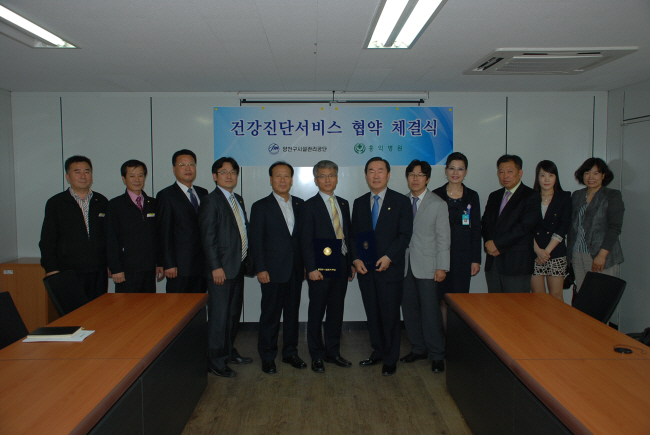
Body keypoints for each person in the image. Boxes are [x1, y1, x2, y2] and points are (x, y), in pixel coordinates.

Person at [351, 157, 412, 376]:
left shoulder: (401, 201)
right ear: (365, 175)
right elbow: (353, 235)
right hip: (366, 271)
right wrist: (355, 259)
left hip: (390, 270)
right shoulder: (359, 202)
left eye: (380, 171)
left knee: (390, 316)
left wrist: (389, 257)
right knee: (373, 314)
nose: (375, 176)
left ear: (388, 174)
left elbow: (404, 235)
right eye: (371, 171)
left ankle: (390, 358)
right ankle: (377, 351)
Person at [249, 161, 306, 375]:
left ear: (292, 179)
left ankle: (290, 352)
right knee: (270, 315)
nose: (282, 180)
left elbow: (303, 239)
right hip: (271, 271)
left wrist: (305, 266)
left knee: (292, 314)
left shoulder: (300, 204)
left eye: (286, 176)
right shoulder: (260, 206)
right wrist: (260, 268)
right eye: (278, 176)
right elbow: (256, 241)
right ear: (271, 179)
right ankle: (267, 356)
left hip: (295, 270)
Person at [198, 157, 252, 378]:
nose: (229, 176)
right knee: (219, 318)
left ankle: (228, 352)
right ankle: (215, 361)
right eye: (223, 172)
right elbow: (207, 237)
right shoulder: (210, 201)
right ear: (215, 176)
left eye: (233, 172)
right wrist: (215, 267)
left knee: (232, 315)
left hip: (237, 266)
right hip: (220, 270)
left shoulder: (237, 199)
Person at [300, 160, 355, 374]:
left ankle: (333, 352)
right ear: (316, 180)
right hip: (320, 269)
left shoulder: (343, 203)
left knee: (336, 311)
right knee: (316, 312)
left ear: (337, 178)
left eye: (331, 175)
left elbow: (347, 235)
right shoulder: (309, 206)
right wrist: (311, 268)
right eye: (322, 176)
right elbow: (305, 240)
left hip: (341, 264)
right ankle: (316, 355)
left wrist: (350, 261)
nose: (327, 179)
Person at [400, 159, 450, 373]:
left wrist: (442, 266)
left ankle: (437, 354)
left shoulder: (438, 203)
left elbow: (444, 238)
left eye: (420, 175)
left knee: (430, 311)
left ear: (427, 179)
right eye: (412, 174)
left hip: (429, 266)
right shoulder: (401, 202)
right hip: (405, 266)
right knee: (409, 309)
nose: (415, 179)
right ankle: (418, 348)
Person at [39, 155, 108, 300]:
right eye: (77, 172)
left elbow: (109, 237)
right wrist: (51, 269)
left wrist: (111, 264)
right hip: (68, 271)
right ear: (67, 177)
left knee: (99, 310)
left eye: (87, 172)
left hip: (98, 270)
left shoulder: (101, 201)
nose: (83, 176)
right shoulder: (56, 203)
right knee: (74, 311)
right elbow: (47, 240)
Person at [432, 152, 481, 327]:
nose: (455, 172)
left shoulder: (472, 196)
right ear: (446, 170)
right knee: (442, 298)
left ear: (465, 172)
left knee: (460, 300)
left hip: (463, 257)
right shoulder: (436, 194)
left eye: (460, 169)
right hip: (440, 257)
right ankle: (444, 336)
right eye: (452, 168)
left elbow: (476, 229)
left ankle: (457, 338)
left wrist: (475, 259)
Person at [481, 154, 538, 293]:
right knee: (494, 304)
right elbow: (486, 222)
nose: (505, 176)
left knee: (516, 305)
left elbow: (524, 227)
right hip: (493, 262)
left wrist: (497, 244)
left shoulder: (531, 196)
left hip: (516, 263)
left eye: (510, 171)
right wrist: (488, 242)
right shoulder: (494, 196)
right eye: (501, 172)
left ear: (520, 173)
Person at [156, 149, 209, 293]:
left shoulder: (203, 193)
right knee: (178, 305)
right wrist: (168, 264)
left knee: (199, 303)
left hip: (202, 265)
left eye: (191, 164)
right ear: (174, 169)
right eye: (182, 165)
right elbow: (164, 232)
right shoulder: (166, 195)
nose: (188, 168)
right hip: (179, 267)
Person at [567, 157, 624, 290]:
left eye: (596, 173)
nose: (591, 177)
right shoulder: (577, 195)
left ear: (603, 175)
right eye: (587, 173)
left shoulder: (612, 196)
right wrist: (570, 254)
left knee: (599, 295)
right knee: (582, 294)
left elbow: (615, 228)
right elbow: (572, 227)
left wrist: (602, 255)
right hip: (578, 254)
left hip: (600, 255)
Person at [106, 160, 163, 293]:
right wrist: (116, 268)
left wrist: (160, 262)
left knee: (149, 304)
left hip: (149, 268)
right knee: (127, 305)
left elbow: (159, 235)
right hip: (126, 270)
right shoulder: (115, 205)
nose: (137, 180)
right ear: (124, 178)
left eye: (140, 175)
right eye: (132, 176)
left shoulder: (153, 204)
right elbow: (110, 238)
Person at [530, 160, 572, 300]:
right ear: (537, 177)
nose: (546, 179)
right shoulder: (530, 198)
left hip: (556, 252)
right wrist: (538, 251)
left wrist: (546, 252)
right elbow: (527, 227)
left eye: (551, 175)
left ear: (556, 177)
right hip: (534, 253)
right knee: (538, 297)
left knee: (556, 296)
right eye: (543, 175)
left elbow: (563, 227)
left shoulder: (564, 197)